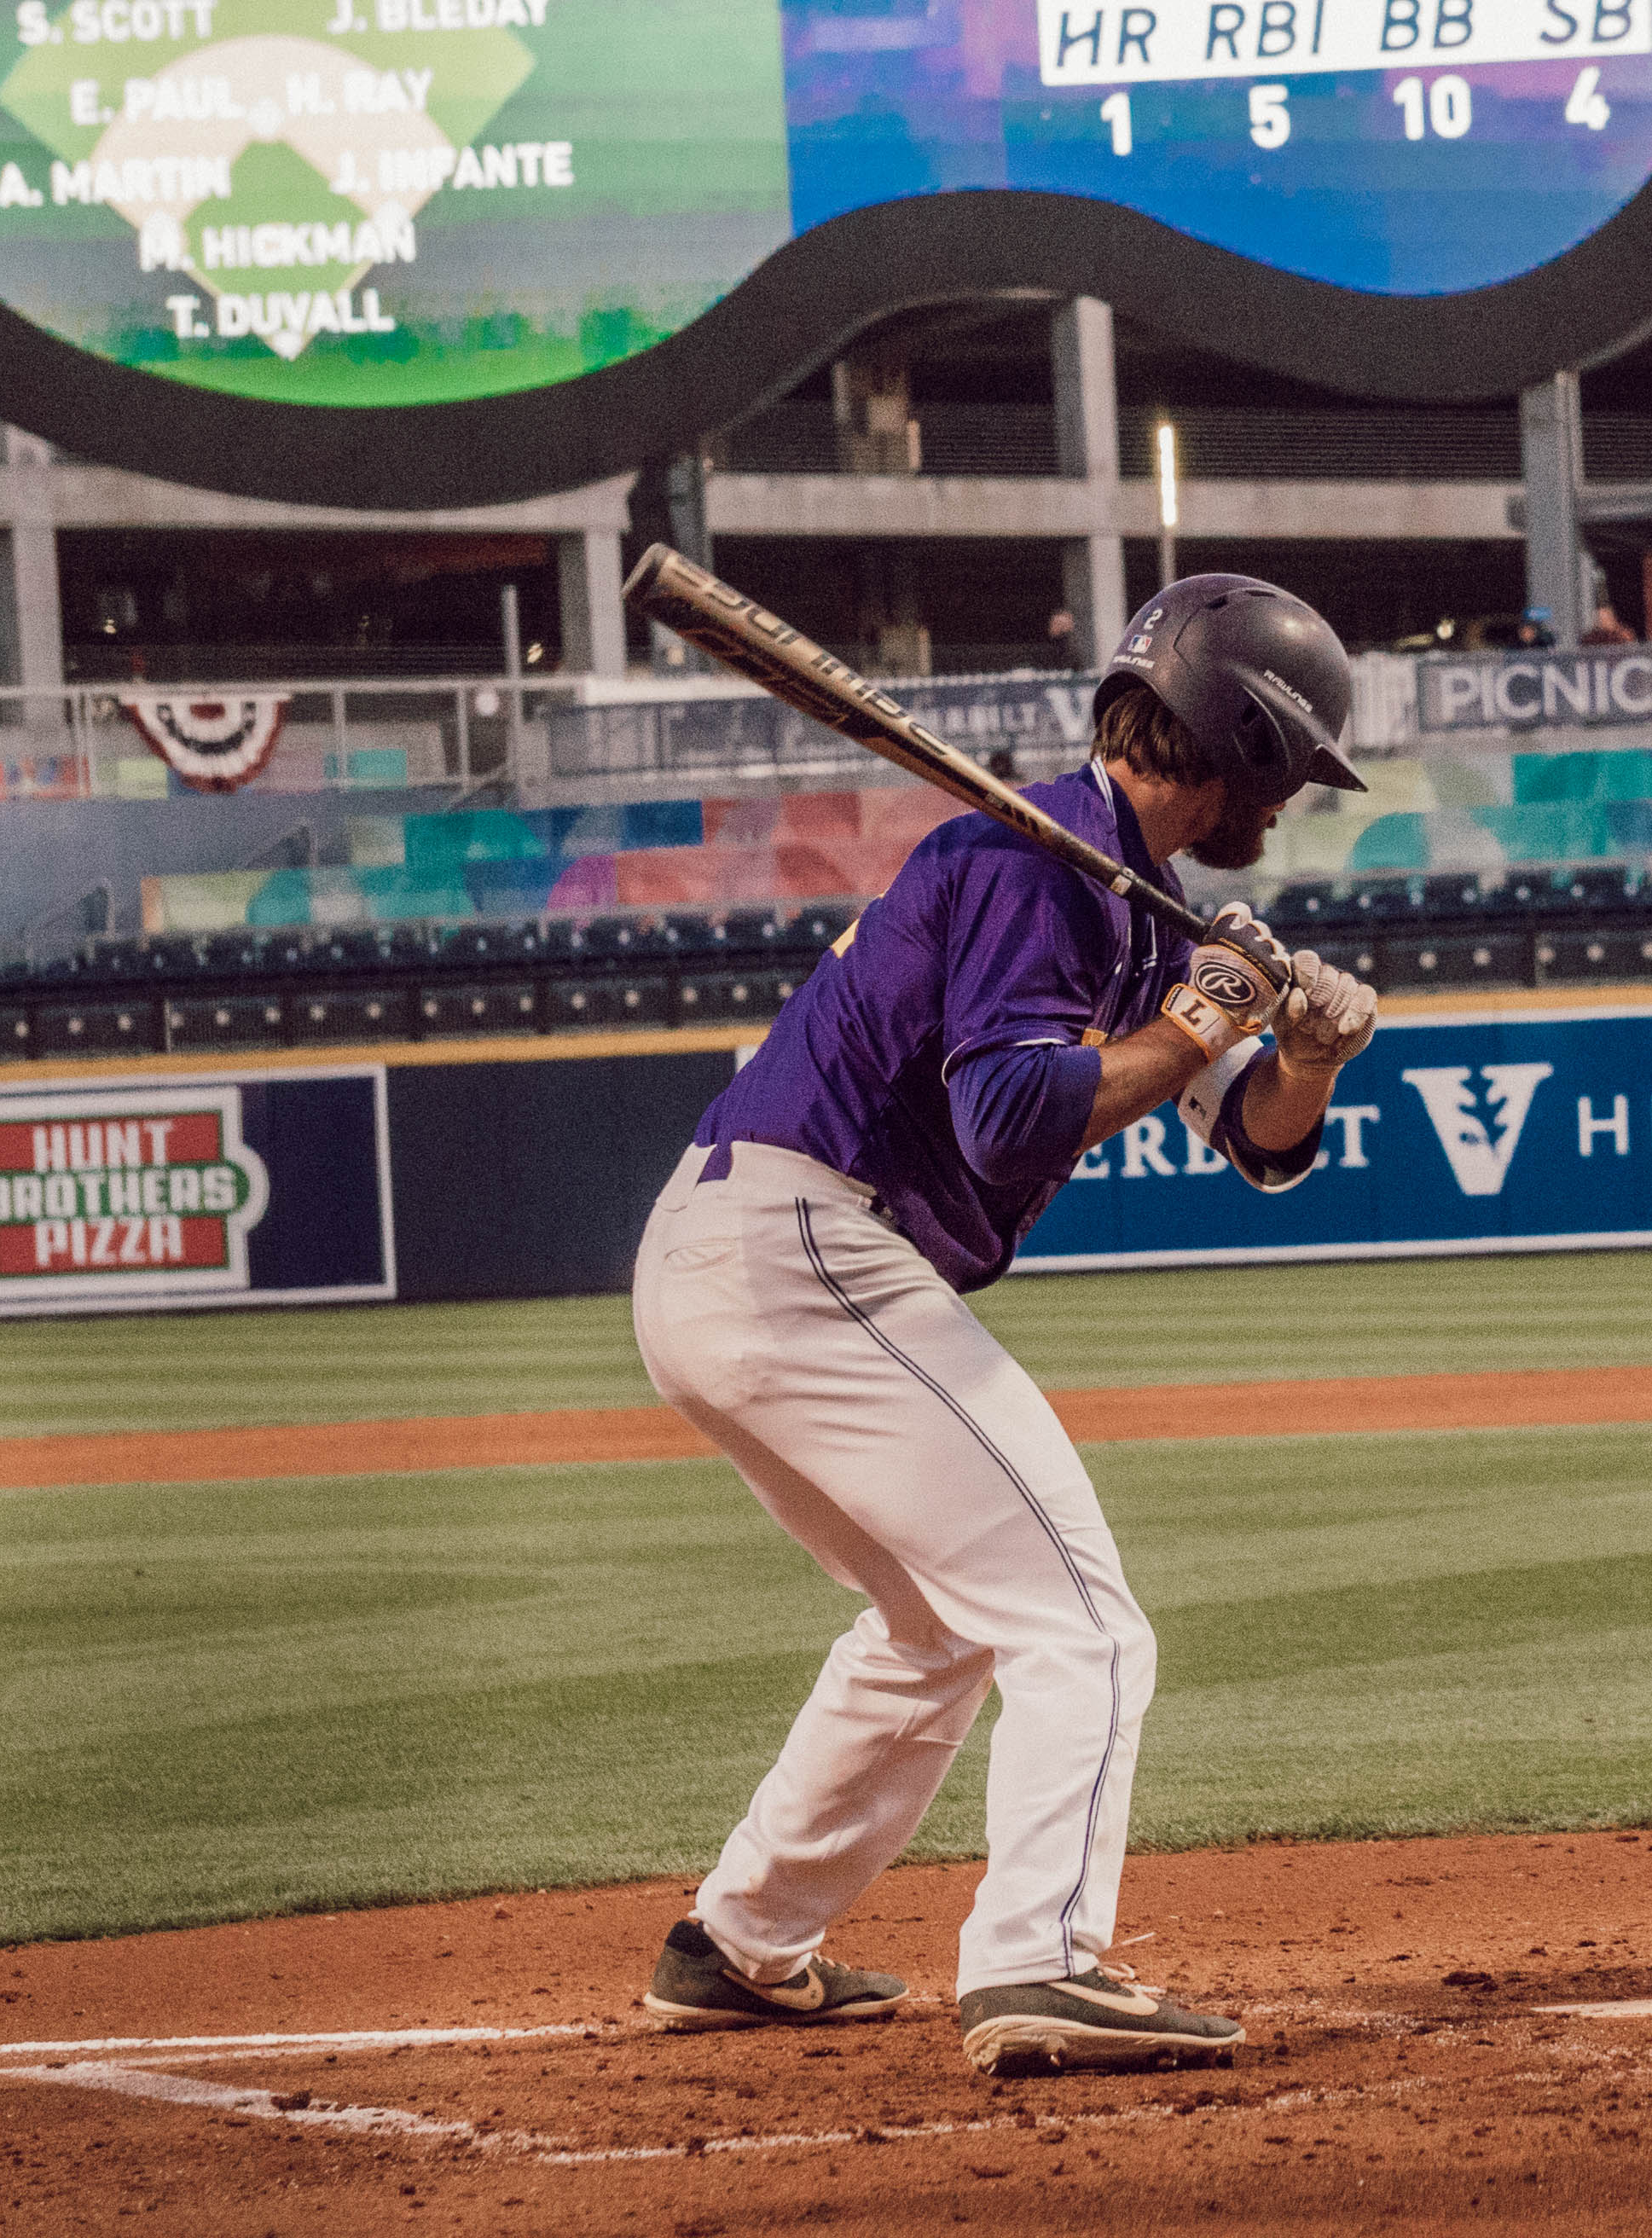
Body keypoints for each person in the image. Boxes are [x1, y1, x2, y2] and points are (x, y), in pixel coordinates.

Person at [628, 575, 1377, 2078]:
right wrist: (1201, 1019)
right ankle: (1041, 1960)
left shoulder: (1118, 894)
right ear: (1237, 738)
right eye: (1292, 768)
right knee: (1083, 1620)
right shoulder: (1037, 864)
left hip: (743, 1255)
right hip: (807, 1237)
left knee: (936, 1627)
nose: (1296, 803)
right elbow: (1012, 1117)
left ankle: (742, 1938)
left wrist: (1296, 1048)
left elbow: (1261, 1141)